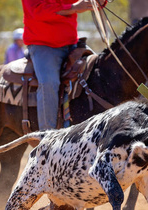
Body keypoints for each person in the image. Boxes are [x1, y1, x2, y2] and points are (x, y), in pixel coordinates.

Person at [21, 0, 106, 131]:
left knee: (100, 71)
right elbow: (38, 11)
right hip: (43, 45)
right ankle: (47, 138)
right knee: (49, 83)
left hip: (71, 43)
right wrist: (73, 8)